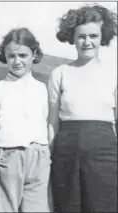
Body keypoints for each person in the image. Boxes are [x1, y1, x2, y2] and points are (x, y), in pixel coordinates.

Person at [48, 4, 117, 213]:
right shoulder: (60, 73)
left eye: (93, 36)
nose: (87, 42)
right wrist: (50, 154)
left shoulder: (113, 73)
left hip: (105, 152)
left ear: (102, 37)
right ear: (72, 37)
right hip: (66, 152)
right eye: (81, 36)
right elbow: (52, 121)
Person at [0, 27, 51, 212]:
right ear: (4, 57)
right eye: (11, 56)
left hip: (39, 156)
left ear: (34, 54)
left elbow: (47, 122)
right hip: (7, 156)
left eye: (23, 55)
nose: (17, 61)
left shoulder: (42, 89)